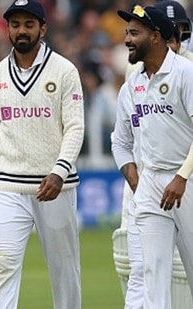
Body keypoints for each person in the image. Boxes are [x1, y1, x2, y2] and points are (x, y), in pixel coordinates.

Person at [0, 1, 84, 308]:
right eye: (15, 24)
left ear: (43, 28)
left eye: (28, 24)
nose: (21, 31)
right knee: (4, 263)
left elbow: (75, 127)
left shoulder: (65, 70)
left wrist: (59, 171)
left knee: (64, 267)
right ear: (8, 29)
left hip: (54, 186)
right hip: (8, 186)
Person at [113, 4, 193, 308]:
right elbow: (120, 142)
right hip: (151, 186)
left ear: (156, 36)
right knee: (151, 273)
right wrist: (135, 177)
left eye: (134, 33)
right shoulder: (131, 85)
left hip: (187, 181)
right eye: (127, 33)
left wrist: (182, 176)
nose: (127, 39)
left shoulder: (186, 73)